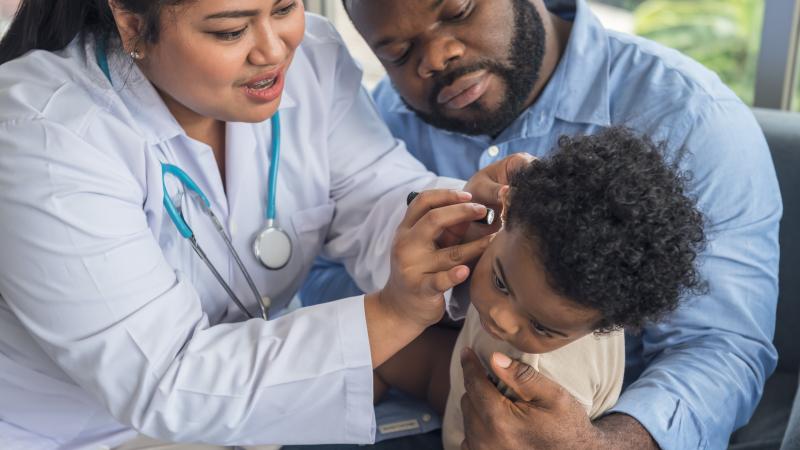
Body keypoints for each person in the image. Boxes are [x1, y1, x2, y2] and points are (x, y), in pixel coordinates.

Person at [0, 1, 518, 449]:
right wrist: (392, 314)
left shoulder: (311, 57)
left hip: (232, 415)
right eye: (230, 30)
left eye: (286, 7)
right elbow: (164, 380)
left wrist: (458, 224)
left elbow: (375, 193)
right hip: (54, 433)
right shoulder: (43, 133)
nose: (273, 49)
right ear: (132, 24)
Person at [302, 0, 783, 448]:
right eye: (398, 52)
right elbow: (324, 278)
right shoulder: (382, 122)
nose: (436, 56)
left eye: (457, 11)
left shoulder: (692, 120)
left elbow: (719, 349)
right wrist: (432, 287)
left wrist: (603, 443)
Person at [371, 127, 707, 450]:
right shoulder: (526, 246)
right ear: (508, 207)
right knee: (378, 352)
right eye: (501, 283)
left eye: (540, 326)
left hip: (488, 429)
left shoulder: (549, 382)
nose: (501, 317)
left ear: (604, 325)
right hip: (470, 372)